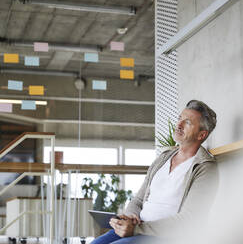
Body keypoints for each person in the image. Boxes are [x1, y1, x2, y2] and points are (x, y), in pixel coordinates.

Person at [91, 100, 218, 244]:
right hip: (139, 228)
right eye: (179, 119)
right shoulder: (162, 159)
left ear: (201, 135)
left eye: (187, 122)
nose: (179, 125)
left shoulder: (206, 167)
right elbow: (138, 200)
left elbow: (189, 219)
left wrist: (138, 229)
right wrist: (131, 216)